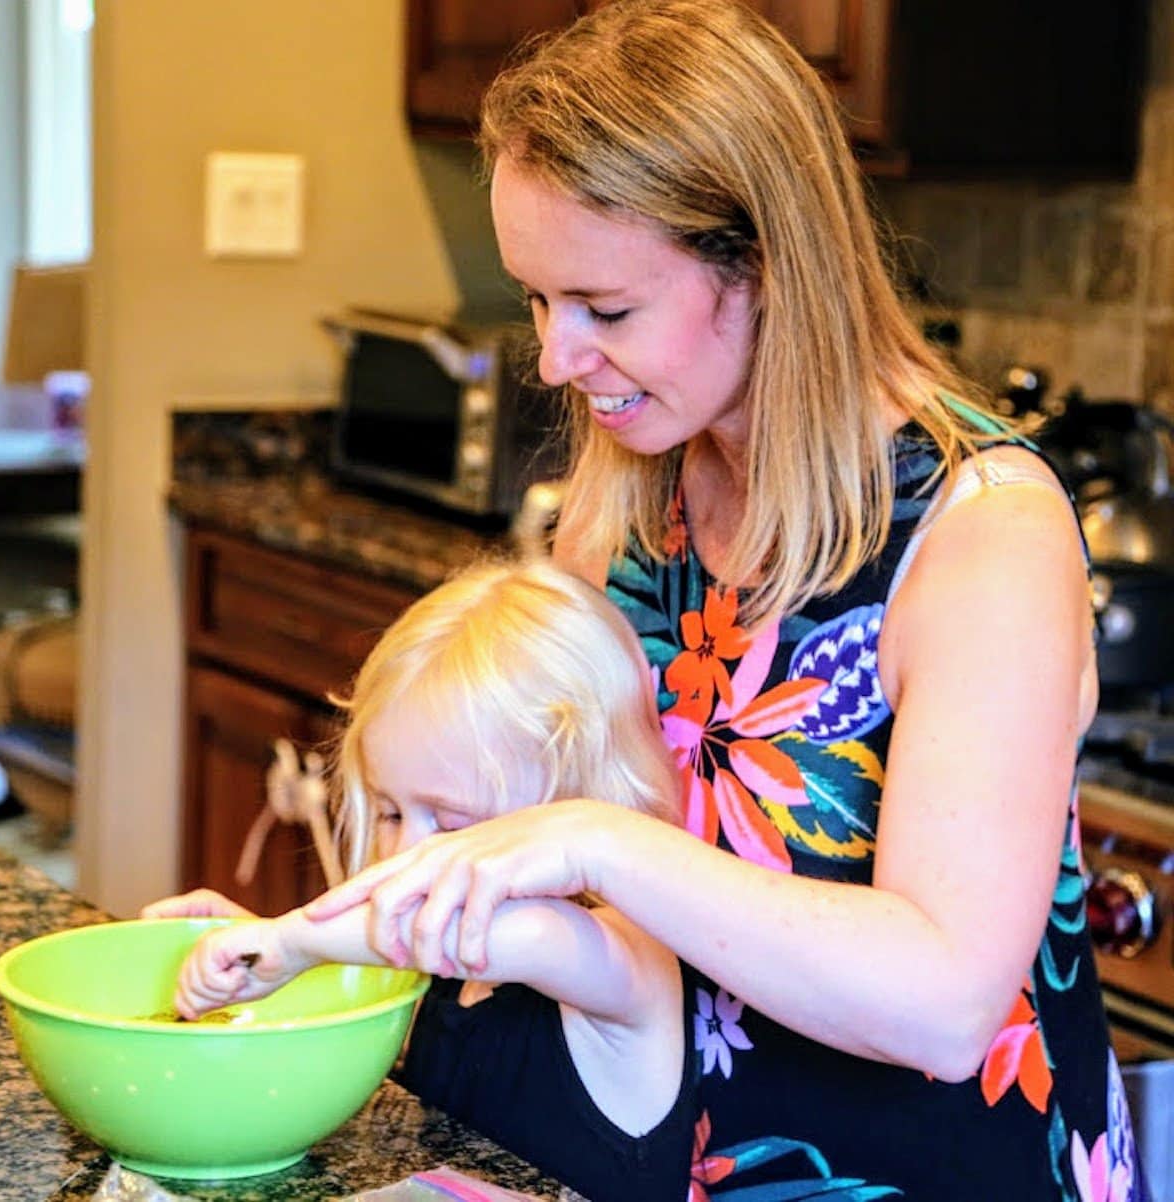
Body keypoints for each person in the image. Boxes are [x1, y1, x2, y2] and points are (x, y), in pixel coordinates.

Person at [303, 2, 1144, 1199]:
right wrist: (285, 951)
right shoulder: (637, 489)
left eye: (605, 309)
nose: (554, 357)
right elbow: (512, 824)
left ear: (764, 266)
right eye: (538, 300)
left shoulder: (983, 532)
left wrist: (603, 841)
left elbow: (946, 1000)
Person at [144, 559, 696, 1202]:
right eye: (389, 812)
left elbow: (518, 933)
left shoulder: (630, 960)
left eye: (450, 821)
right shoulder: (445, 975)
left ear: (569, 810)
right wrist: (252, 952)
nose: (407, 852)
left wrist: (294, 940)